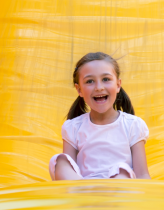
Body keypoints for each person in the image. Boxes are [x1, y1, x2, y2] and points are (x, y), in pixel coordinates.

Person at [50, 52, 151, 180]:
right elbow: (70, 168)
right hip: (85, 188)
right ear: (79, 89)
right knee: (60, 160)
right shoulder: (73, 127)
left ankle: (107, 195)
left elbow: (142, 174)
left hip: (119, 191)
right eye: (90, 81)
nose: (99, 87)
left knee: (122, 171)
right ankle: (83, 193)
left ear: (118, 85)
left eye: (106, 79)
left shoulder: (132, 125)